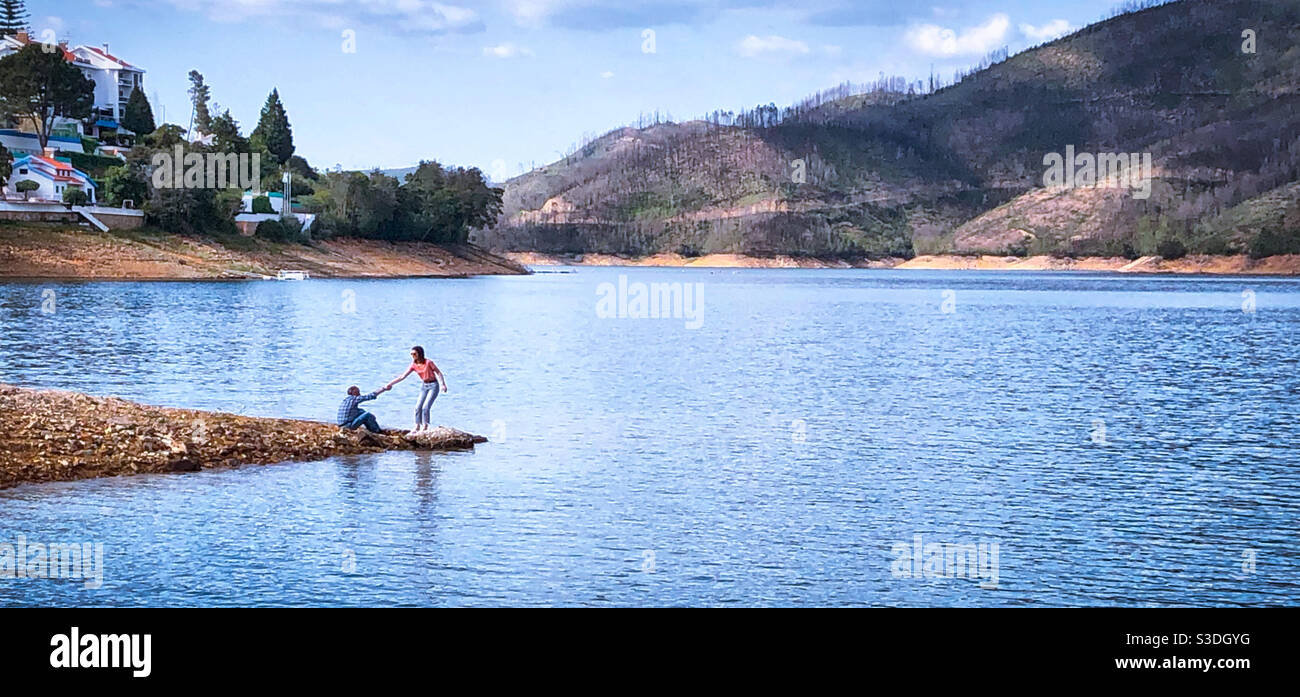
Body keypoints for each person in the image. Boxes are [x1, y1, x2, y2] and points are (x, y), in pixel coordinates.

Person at [385, 345, 448, 432]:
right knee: (418, 407)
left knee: (425, 407)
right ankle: (417, 425)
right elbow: (402, 376)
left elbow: (438, 372)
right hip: (424, 386)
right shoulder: (414, 365)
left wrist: (443, 384)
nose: (413, 356)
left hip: (433, 385)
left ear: (419, 354)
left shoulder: (428, 362)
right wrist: (390, 384)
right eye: (411, 354)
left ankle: (425, 426)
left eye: (414, 354)